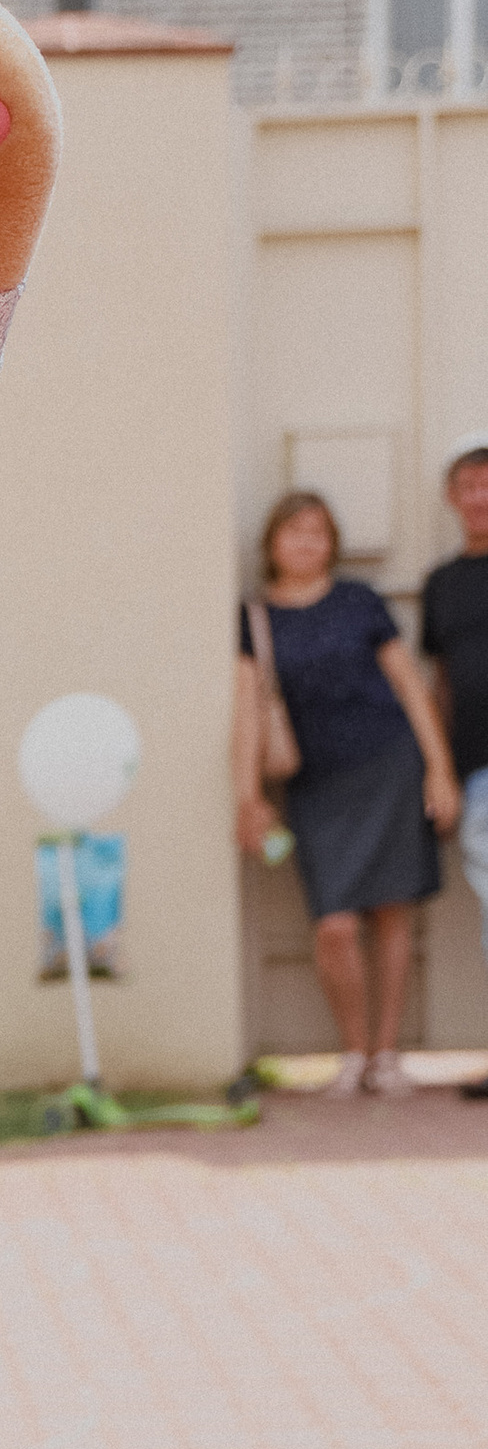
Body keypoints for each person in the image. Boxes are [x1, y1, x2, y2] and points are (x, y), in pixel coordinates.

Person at [234, 489, 461, 1096]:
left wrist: (439, 770)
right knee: (333, 923)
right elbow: (249, 712)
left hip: (388, 766)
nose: (307, 541)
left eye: (319, 532)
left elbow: (411, 687)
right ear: (272, 543)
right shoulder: (256, 617)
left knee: (392, 911)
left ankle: (384, 1056)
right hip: (315, 784)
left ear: (332, 544)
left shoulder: (361, 602)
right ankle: (351, 1052)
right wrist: (247, 796)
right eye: (295, 531)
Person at [420, 443, 488, 1099]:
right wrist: (439, 770)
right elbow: (440, 682)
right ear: (452, 499)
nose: (479, 497)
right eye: (467, 487)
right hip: (477, 770)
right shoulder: (443, 583)